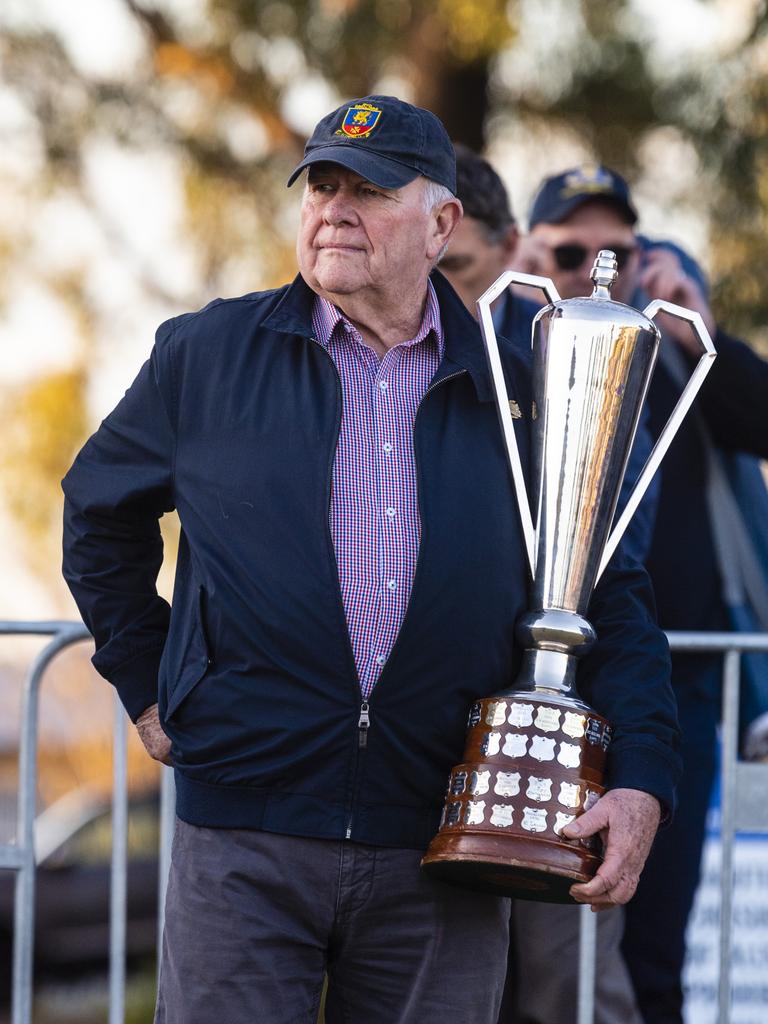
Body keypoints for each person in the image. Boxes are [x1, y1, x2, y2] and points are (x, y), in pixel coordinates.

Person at [61, 99, 681, 1024]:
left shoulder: (525, 391)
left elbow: (609, 593)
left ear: (441, 225)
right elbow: (97, 516)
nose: (335, 209)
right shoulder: (206, 355)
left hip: (440, 841)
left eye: (371, 190)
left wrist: (641, 776)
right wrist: (152, 683)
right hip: (242, 829)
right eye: (322, 184)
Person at [523, 164, 768, 1024]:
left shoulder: (673, 353)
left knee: (654, 947)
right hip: (544, 688)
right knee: (537, 959)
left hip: (676, 692)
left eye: (617, 252)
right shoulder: (512, 347)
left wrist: (698, 327)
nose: (596, 266)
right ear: (529, 252)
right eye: (568, 250)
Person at [440, 147, 650, 1024]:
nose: (438, 296)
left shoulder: (573, 362)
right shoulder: (357, 376)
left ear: (506, 251)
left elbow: (622, 580)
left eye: (455, 269)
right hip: (409, 764)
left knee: (570, 987)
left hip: (562, 751)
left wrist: (644, 773)